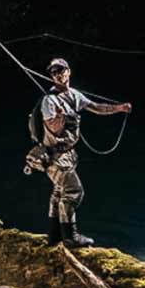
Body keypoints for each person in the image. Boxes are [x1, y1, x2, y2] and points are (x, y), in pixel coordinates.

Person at [42, 57, 132, 248]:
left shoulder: (75, 95)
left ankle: (53, 236)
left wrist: (119, 108)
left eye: (61, 70)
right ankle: (70, 236)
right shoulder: (49, 101)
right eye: (54, 72)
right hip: (55, 156)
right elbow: (54, 129)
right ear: (51, 76)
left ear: (69, 71)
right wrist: (60, 116)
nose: (58, 74)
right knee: (74, 191)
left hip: (68, 154)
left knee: (59, 193)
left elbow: (96, 107)